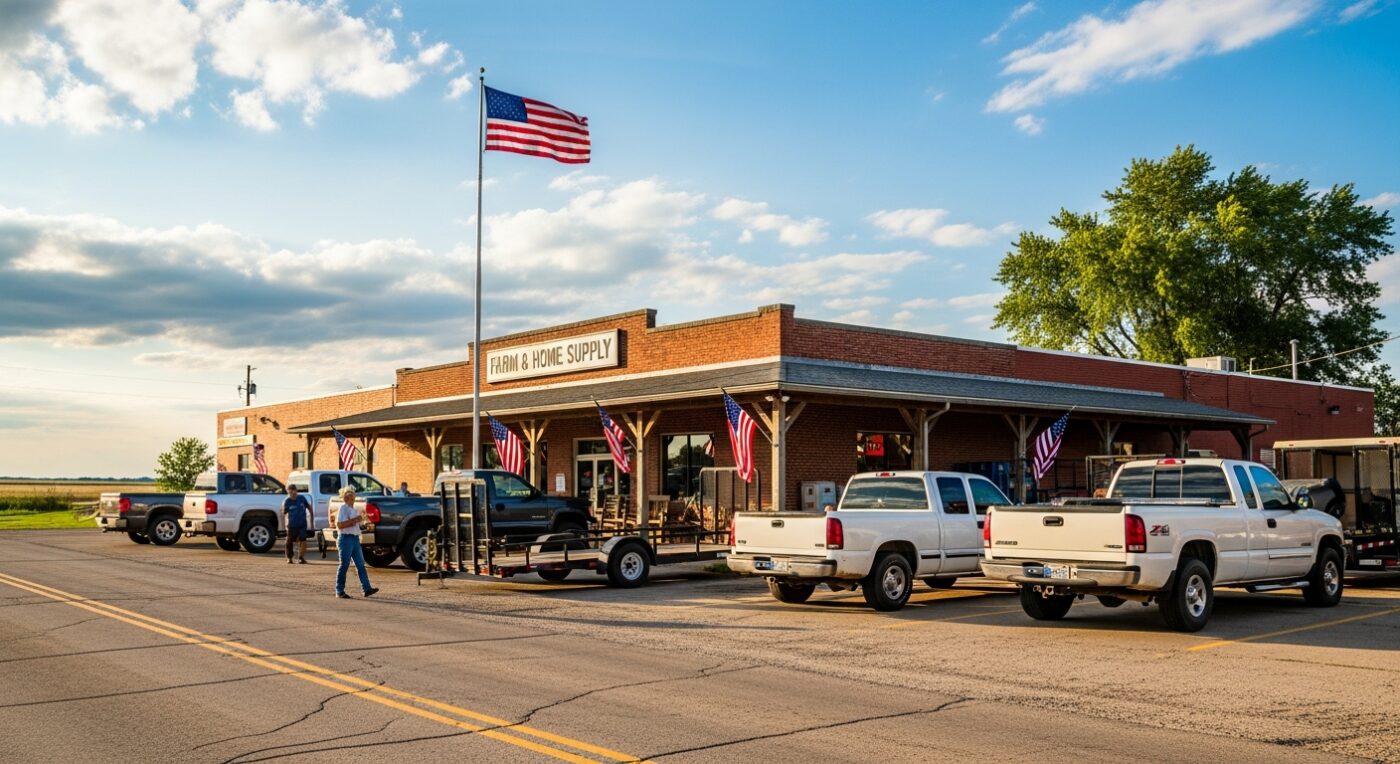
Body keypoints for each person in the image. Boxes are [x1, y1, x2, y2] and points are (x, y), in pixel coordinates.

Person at [333, 486, 378, 599]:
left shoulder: (353, 510)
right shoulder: (343, 508)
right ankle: (339, 590)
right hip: (345, 538)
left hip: (354, 538)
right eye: (350, 498)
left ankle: (366, 588)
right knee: (344, 564)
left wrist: (362, 523)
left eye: (353, 498)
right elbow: (339, 525)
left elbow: (356, 524)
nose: (353, 500)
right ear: (345, 498)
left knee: (360, 564)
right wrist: (355, 520)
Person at [282, 484, 312, 564]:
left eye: (293, 491)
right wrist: (285, 525)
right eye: (290, 491)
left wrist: (311, 520)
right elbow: (284, 513)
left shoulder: (301, 498)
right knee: (289, 541)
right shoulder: (287, 501)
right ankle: (289, 558)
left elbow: (309, 507)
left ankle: (301, 558)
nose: (292, 493)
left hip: (302, 524)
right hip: (291, 524)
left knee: (303, 540)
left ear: (296, 491)